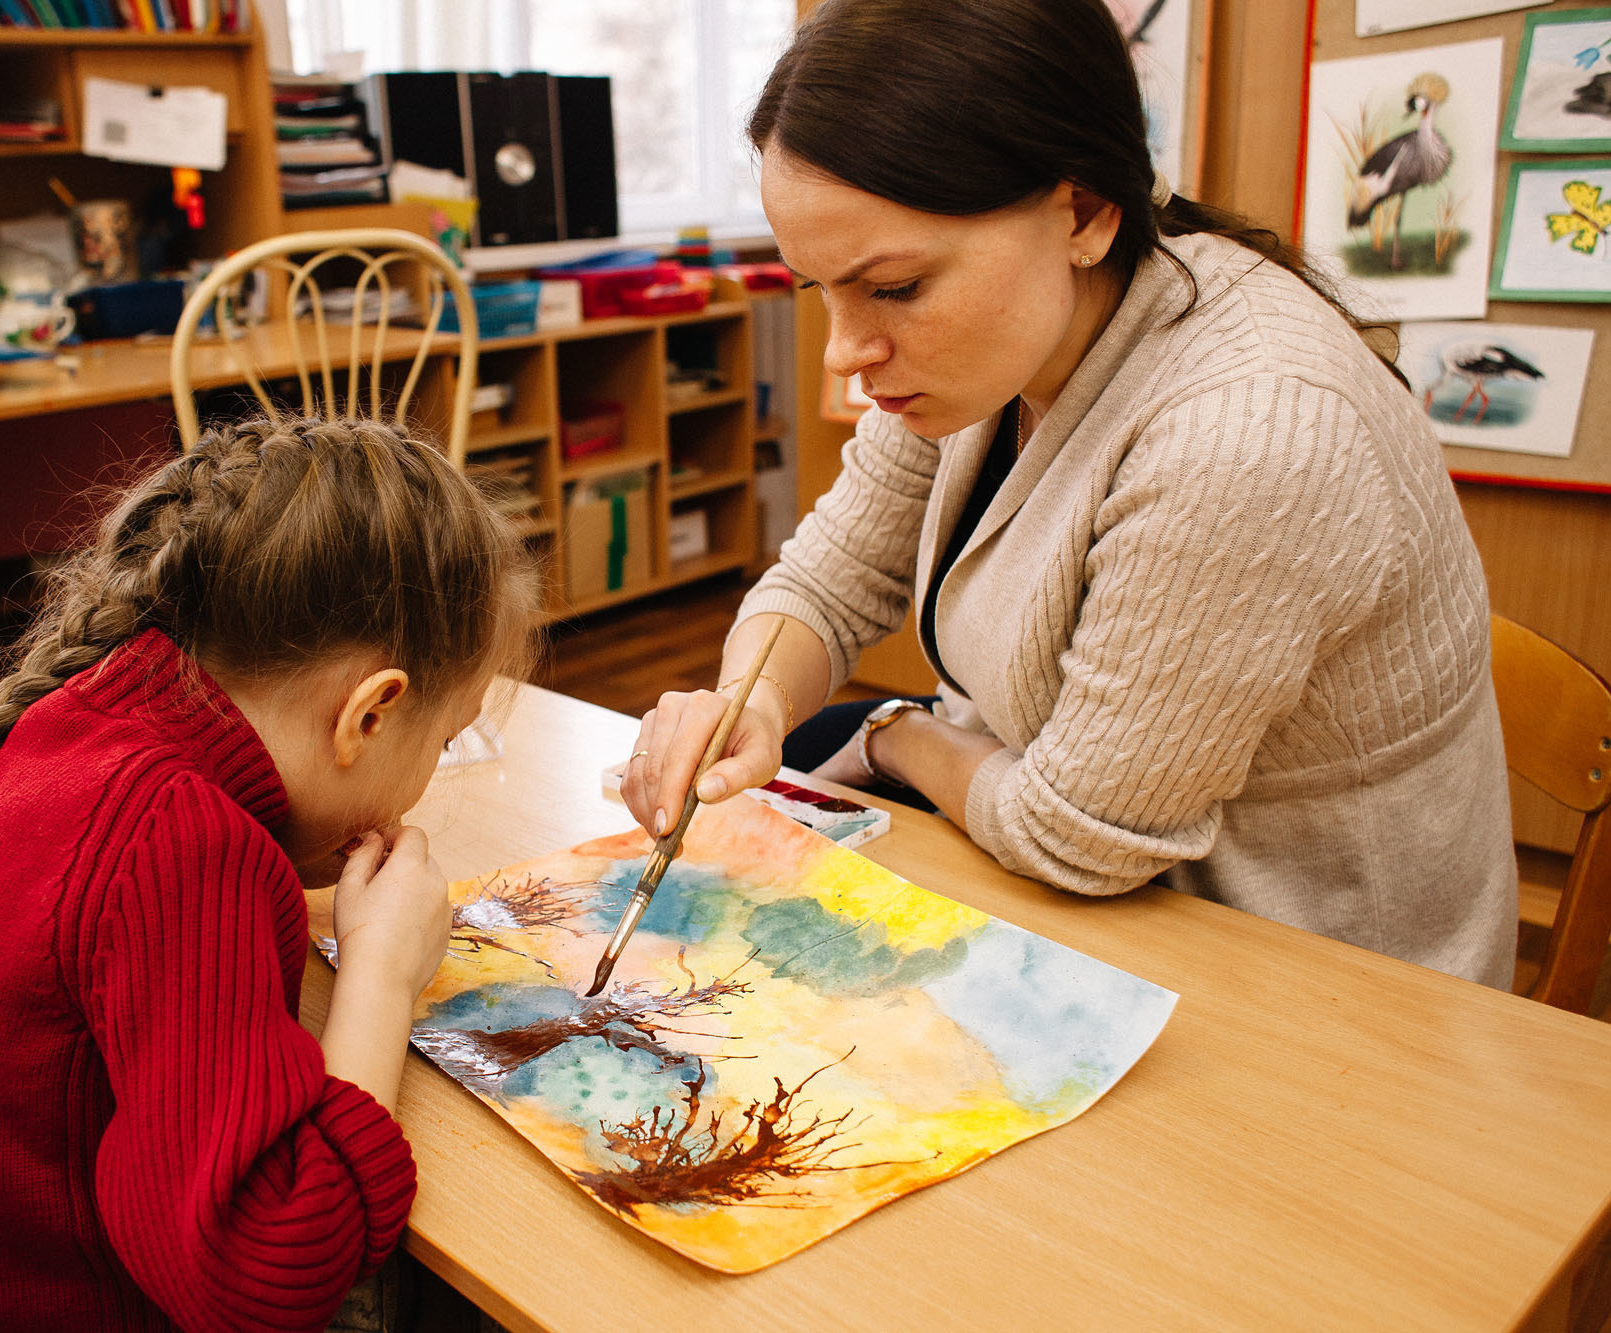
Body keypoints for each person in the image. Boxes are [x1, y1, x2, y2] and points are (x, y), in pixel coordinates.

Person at [623, 0, 1516, 987]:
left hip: (1315, 985)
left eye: (894, 287)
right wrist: (741, 698)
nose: (845, 354)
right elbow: (828, 582)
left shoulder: (1244, 430)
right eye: (814, 289)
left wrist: (893, 735)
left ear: (1083, 213)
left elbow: (1079, 837)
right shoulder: (990, 350)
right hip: (1083, 886)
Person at [0, 415, 539, 1331]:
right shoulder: (179, 839)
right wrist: (382, 971)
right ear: (371, 713)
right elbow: (274, 1269)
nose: (428, 778)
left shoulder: (79, 717)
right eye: (444, 741)